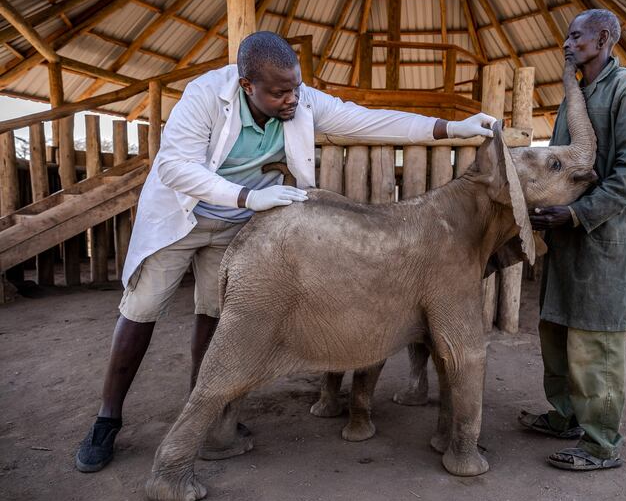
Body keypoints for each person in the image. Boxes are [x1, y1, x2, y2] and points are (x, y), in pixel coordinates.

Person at [75, 31, 496, 472]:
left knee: (218, 317)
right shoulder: (202, 96)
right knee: (141, 311)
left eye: (295, 87)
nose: (291, 99)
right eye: (278, 92)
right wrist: (246, 197)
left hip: (238, 223)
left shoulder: (300, 99)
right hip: (182, 217)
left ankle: (209, 416)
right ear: (246, 86)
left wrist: (451, 127)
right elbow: (175, 165)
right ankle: (108, 418)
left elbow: (367, 120)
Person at [518, 9, 626, 471]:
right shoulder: (574, 95)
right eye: (568, 37)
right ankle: (566, 417)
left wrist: (578, 213)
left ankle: (601, 444)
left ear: (602, 38)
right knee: (555, 330)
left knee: (595, 341)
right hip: (567, 236)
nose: (568, 44)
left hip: (604, 237)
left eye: (576, 36)